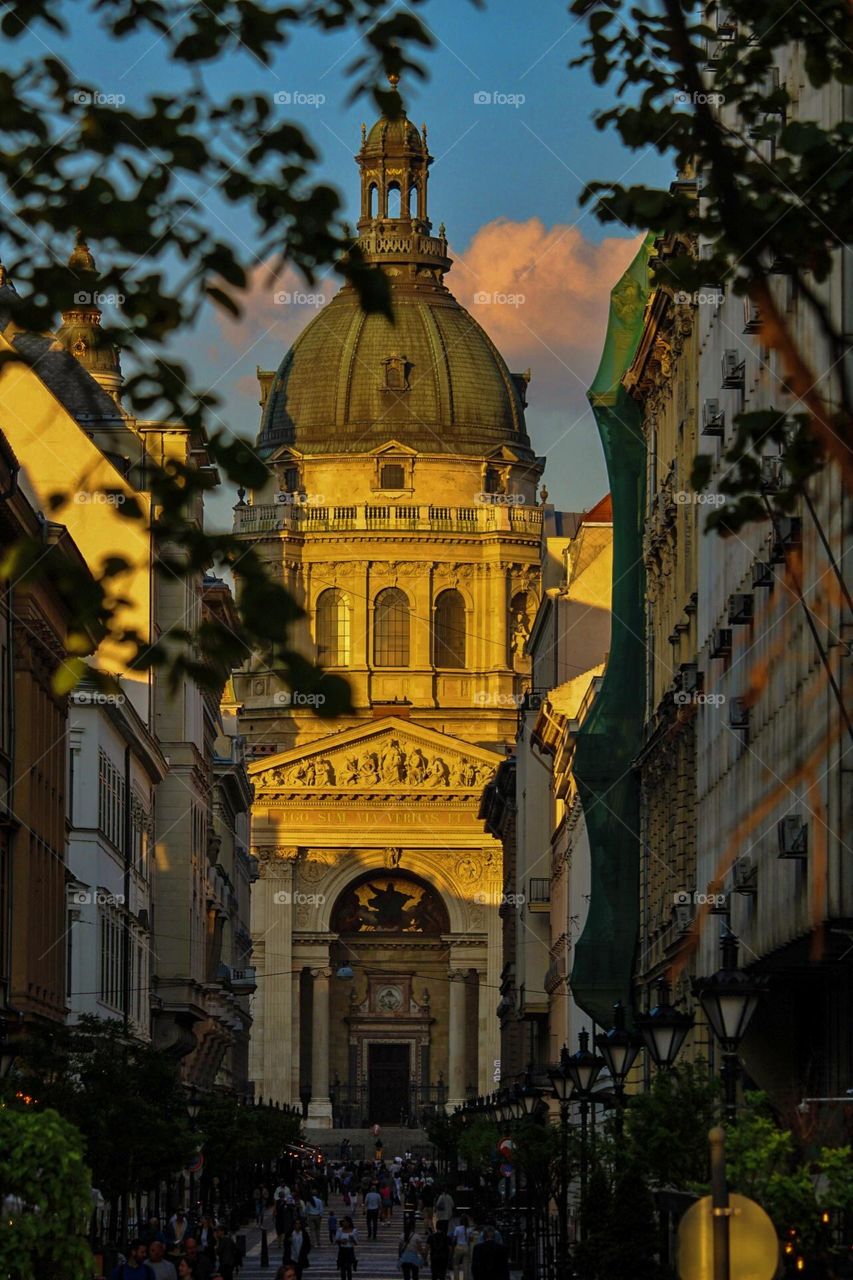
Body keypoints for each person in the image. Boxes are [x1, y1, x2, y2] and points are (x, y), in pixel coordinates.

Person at [334, 1215, 358, 1280]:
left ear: (349, 1222)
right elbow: (336, 1240)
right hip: (342, 1250)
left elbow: (356, 1243)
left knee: (349, 1267)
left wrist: (352, 1238)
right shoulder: (339, 1230)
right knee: (343, 1269)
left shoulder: (354, 1230)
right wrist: (341, 1241)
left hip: (350, 1250)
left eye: (344, 1221)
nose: (343, 1222)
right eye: (343, 1221)